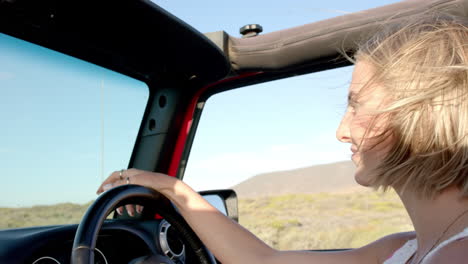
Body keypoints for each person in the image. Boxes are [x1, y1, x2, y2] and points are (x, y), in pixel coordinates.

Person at [97, 12, 468, 264]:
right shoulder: (403, 248)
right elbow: (264, 260)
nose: (342, 131)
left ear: (419, 112)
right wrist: (175, 191)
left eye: (356, 106)